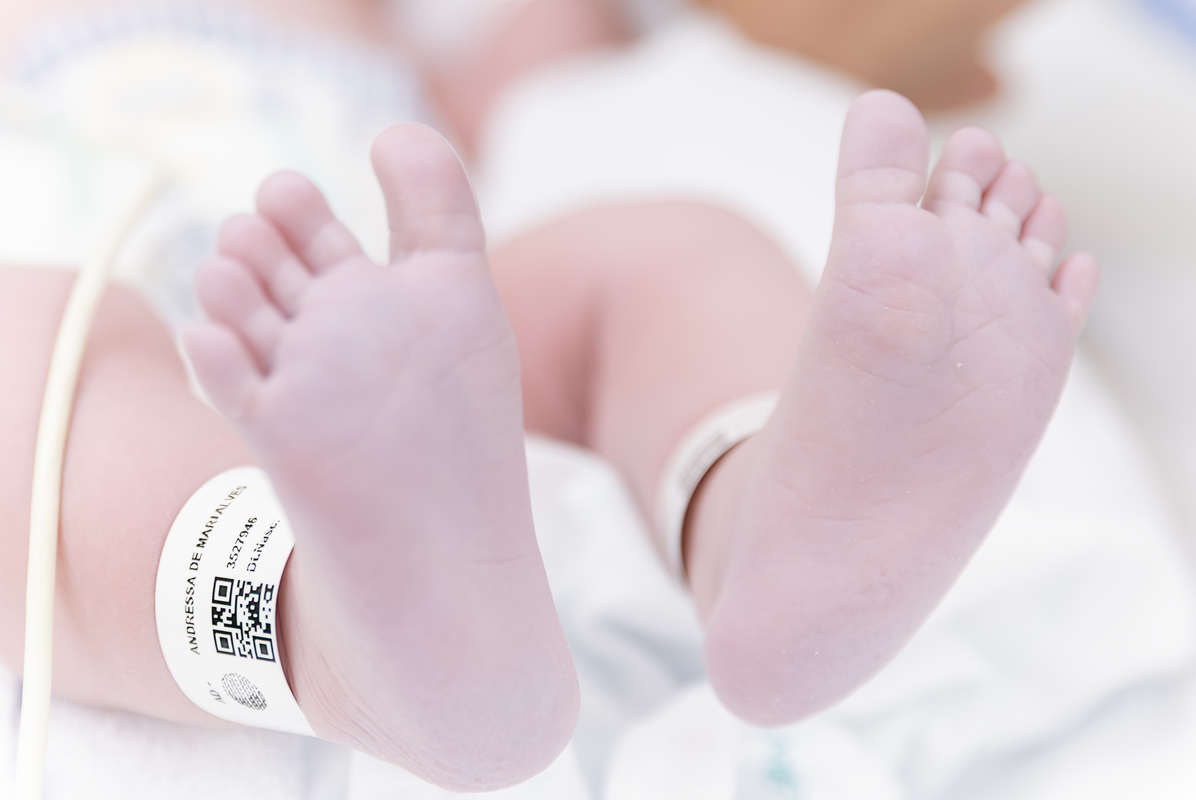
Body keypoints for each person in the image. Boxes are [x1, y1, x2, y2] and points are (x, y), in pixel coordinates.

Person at [0, 0, 1098, 792]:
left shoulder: (378, 28)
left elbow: (539, 81)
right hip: (82, 287)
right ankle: (340, 630)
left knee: (664, 248)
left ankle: (762, 520)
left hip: (396, 338)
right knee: (31, 364)